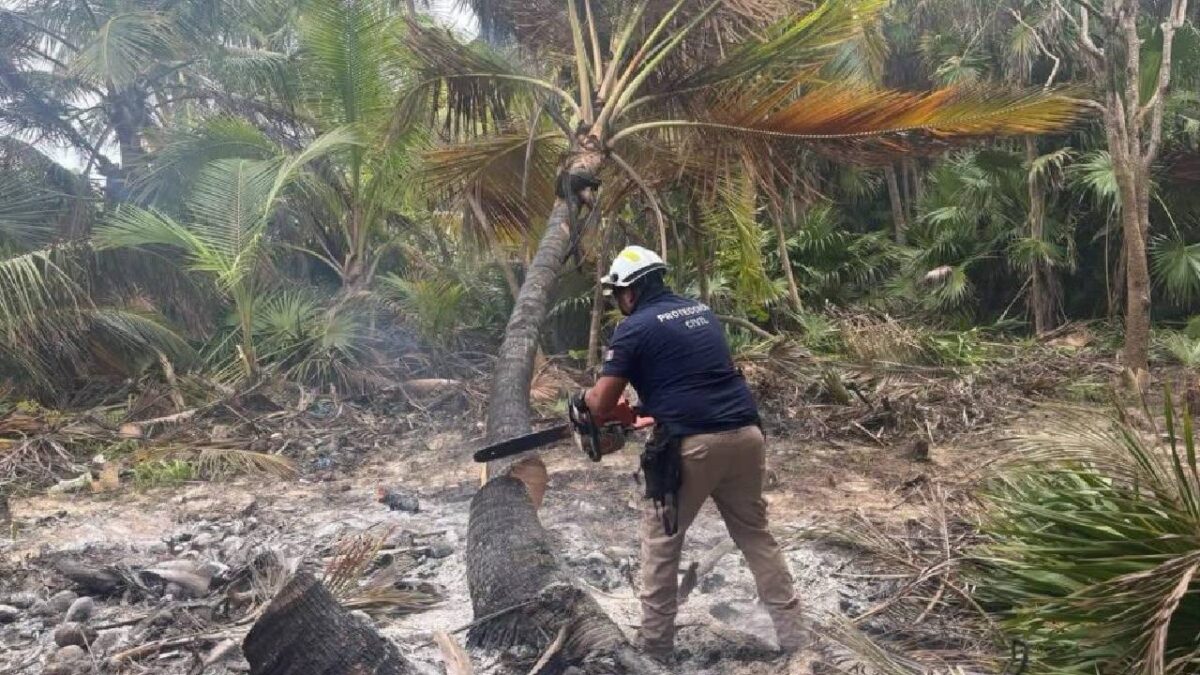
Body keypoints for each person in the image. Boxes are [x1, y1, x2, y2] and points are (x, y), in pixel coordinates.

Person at [583, 245, 807, 660]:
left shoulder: (634, 328)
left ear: (630, 291)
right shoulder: (700, 313)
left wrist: (588, 403)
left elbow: (599, 405)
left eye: (618, 295)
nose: (619, 303)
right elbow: (695, 377)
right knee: (757, 538)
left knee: (662, 543)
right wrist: (645, 410)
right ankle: (796, 640)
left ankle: (654, 651)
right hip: (746, 435)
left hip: (693, 445)